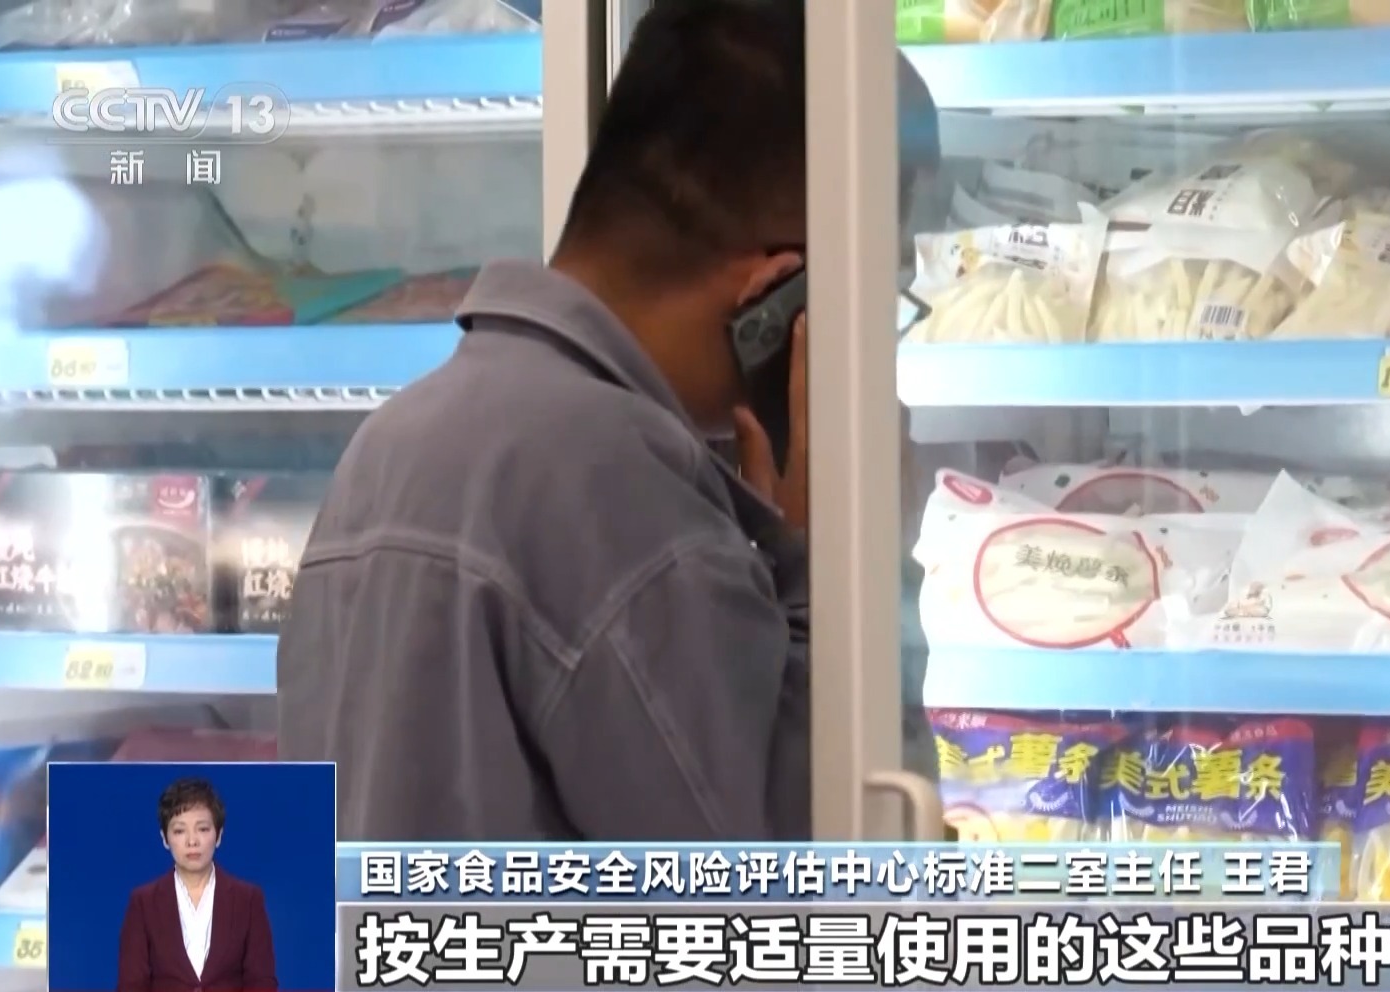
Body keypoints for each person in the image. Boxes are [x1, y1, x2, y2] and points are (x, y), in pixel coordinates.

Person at [275, 0, 941, 841]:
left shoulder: (394, 442)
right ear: (777, 293)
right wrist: (850, 565)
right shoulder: (622, 489)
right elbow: (814, 876)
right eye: (879, 295)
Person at [117, 779, 276, 992]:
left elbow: (262, 981)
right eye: (179, 831)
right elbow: (131, 985)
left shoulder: (248, 899)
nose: (192, 841)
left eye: (202, 829)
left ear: (218, 835)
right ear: (165, 838)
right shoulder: (143, 903)